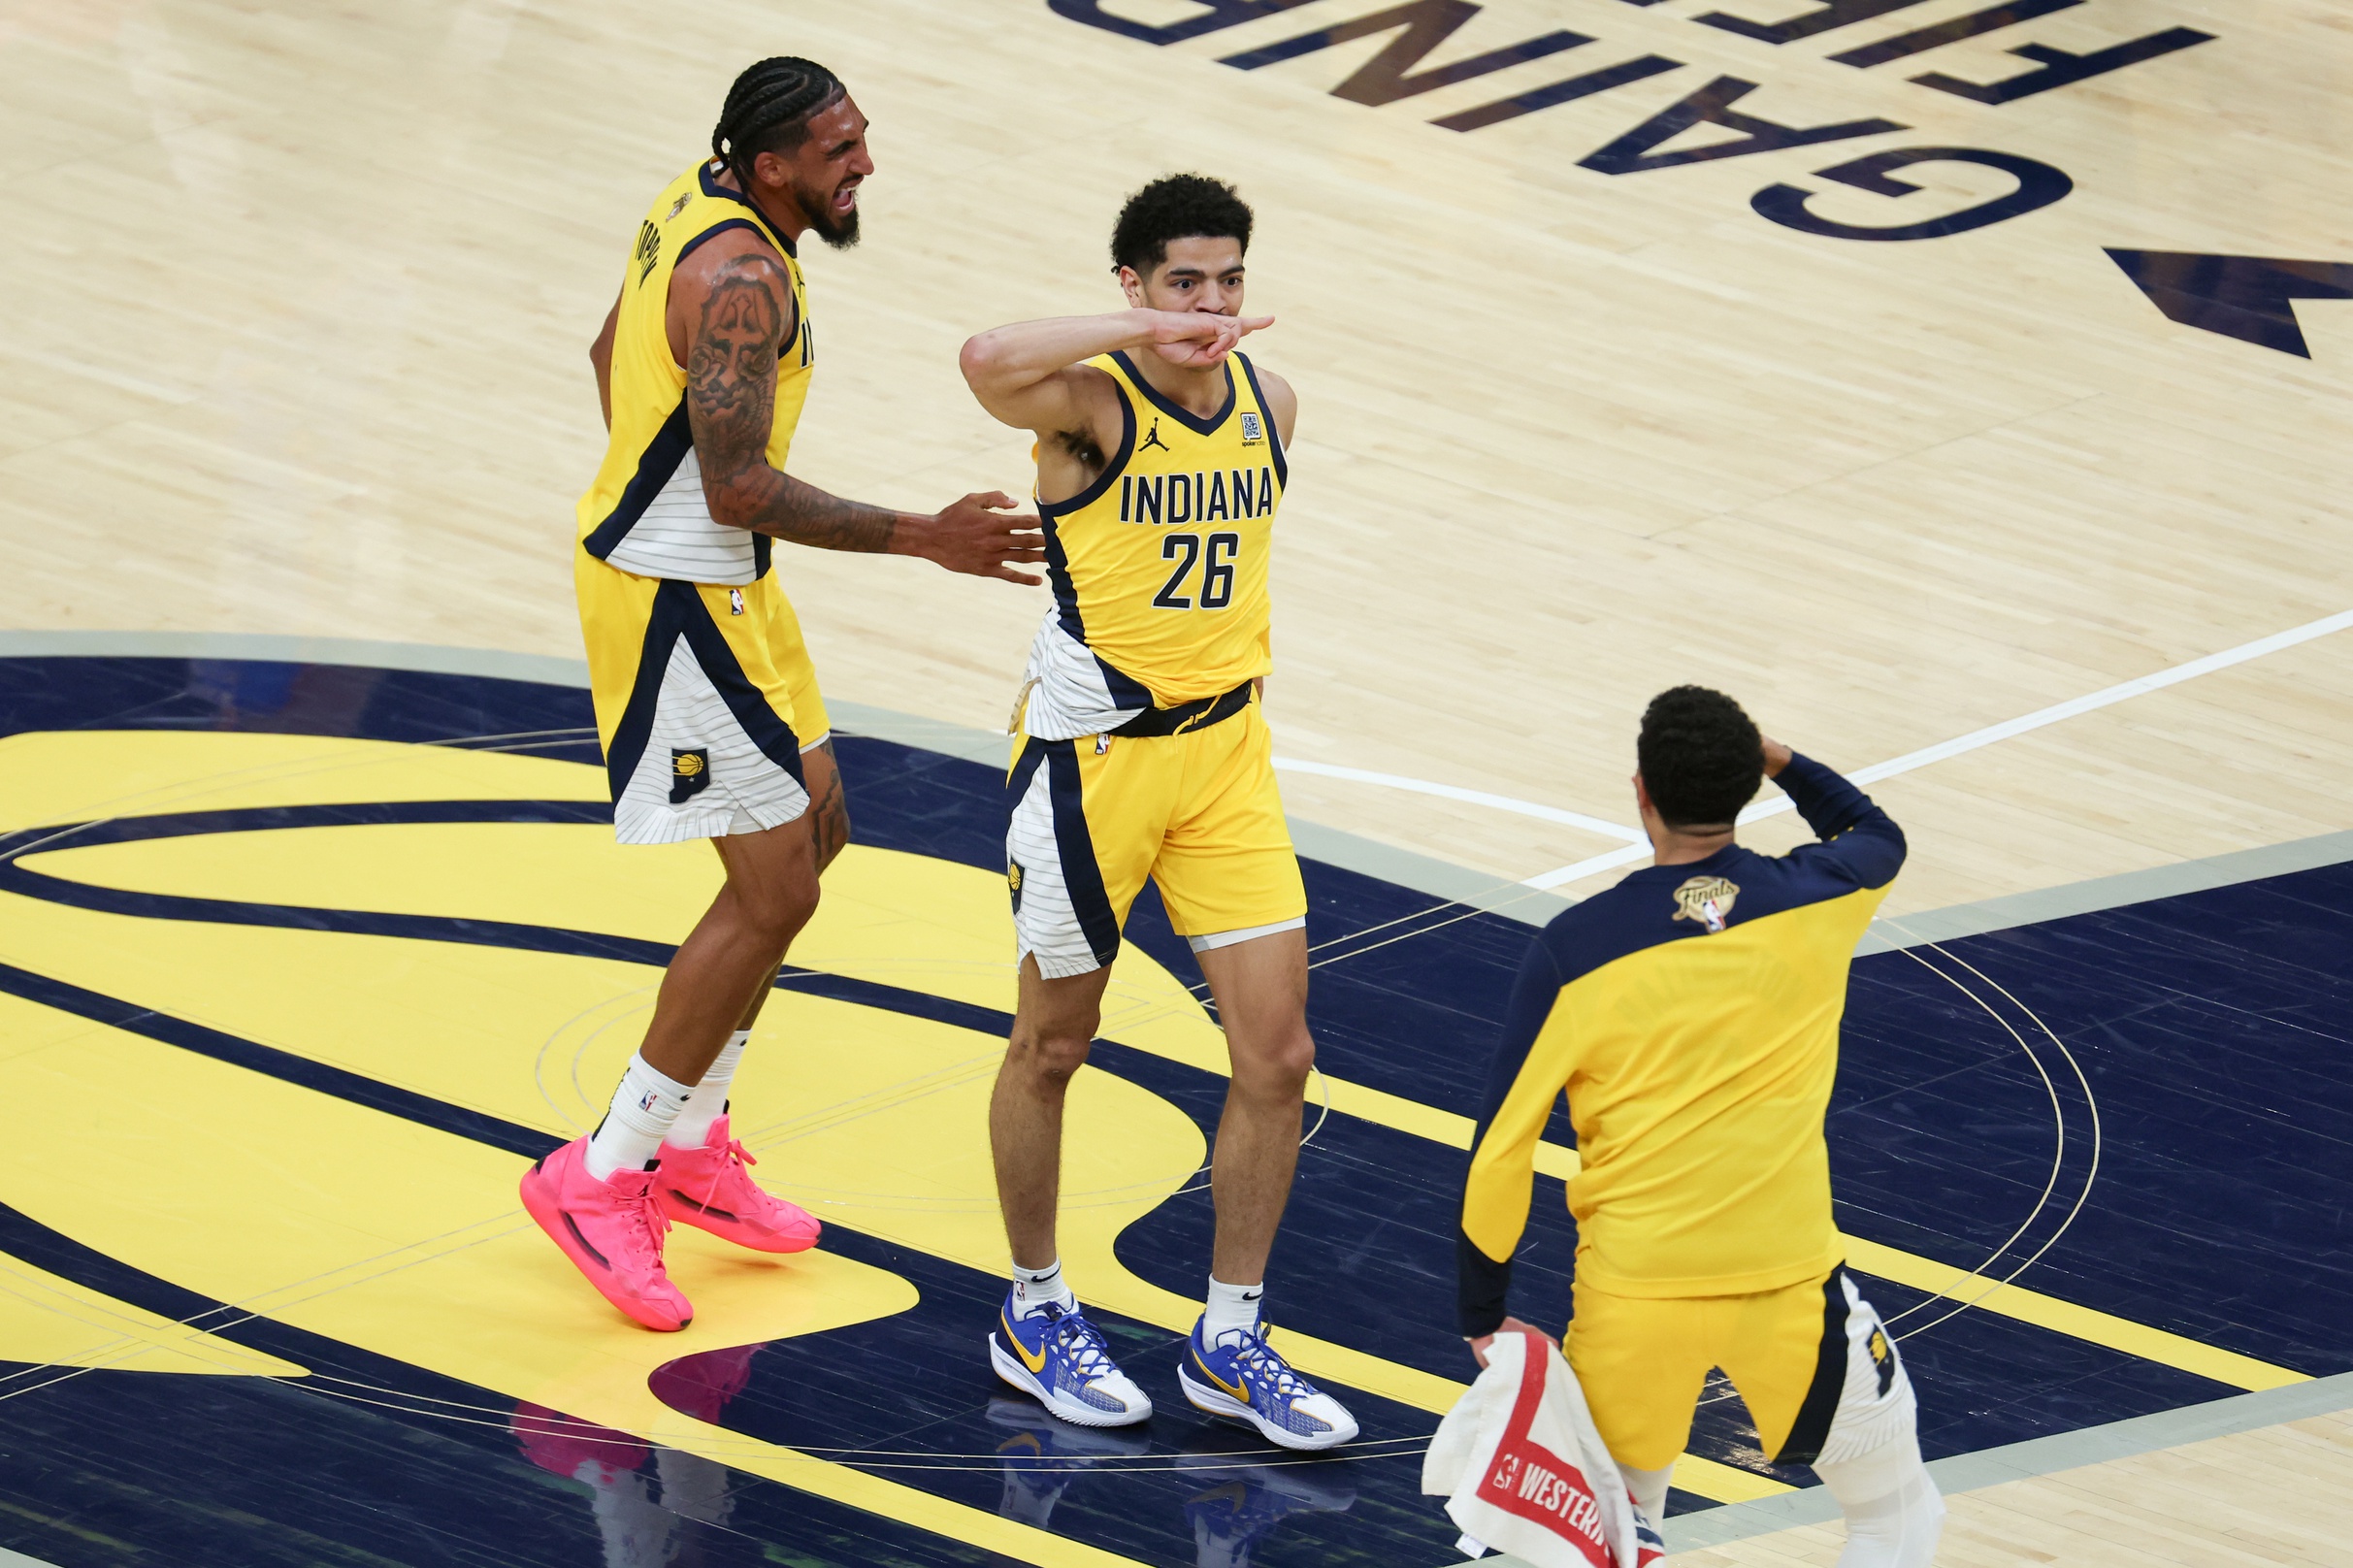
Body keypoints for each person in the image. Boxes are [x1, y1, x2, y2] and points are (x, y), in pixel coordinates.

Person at [523, 56, 1042, 1331]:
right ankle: (605, 1173)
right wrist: (927, 535)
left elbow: (607, 346)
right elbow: (737, 486)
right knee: (777, 891)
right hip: (676, 590)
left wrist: (651, 483)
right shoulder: (743, 280)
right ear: (770, 166)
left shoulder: (702, 205)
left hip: (719, 575)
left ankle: (694, 1144)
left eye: (860, 138)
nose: (861, 164)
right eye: (838, 150)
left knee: (816, 831)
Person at [957, 175, 1357, 1450]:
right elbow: (981, 357)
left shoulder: (1271, 404)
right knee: (1054, 1044)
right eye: (1183, 281)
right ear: (1131, 285)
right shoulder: (1084, 405)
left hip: (1228, 754)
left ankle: (1228, 1339)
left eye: (1228, 281)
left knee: (1277, 1057)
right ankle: (1032, 1312)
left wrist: (1185, 337)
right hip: (1095, 762)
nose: (1212, 304)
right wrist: (1138, 337)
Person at [1454, 686, 1944, 1566]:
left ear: (1639, 791)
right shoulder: (1819, 896)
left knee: (1608, 1541)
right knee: (1896, 1517)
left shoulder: (1574, 949)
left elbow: (1501, 1148)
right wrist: (1780, 759)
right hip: (1787, 1286)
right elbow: (1877, 833)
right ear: (1746, 786)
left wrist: (1482, 1312)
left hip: (1633, 1296)